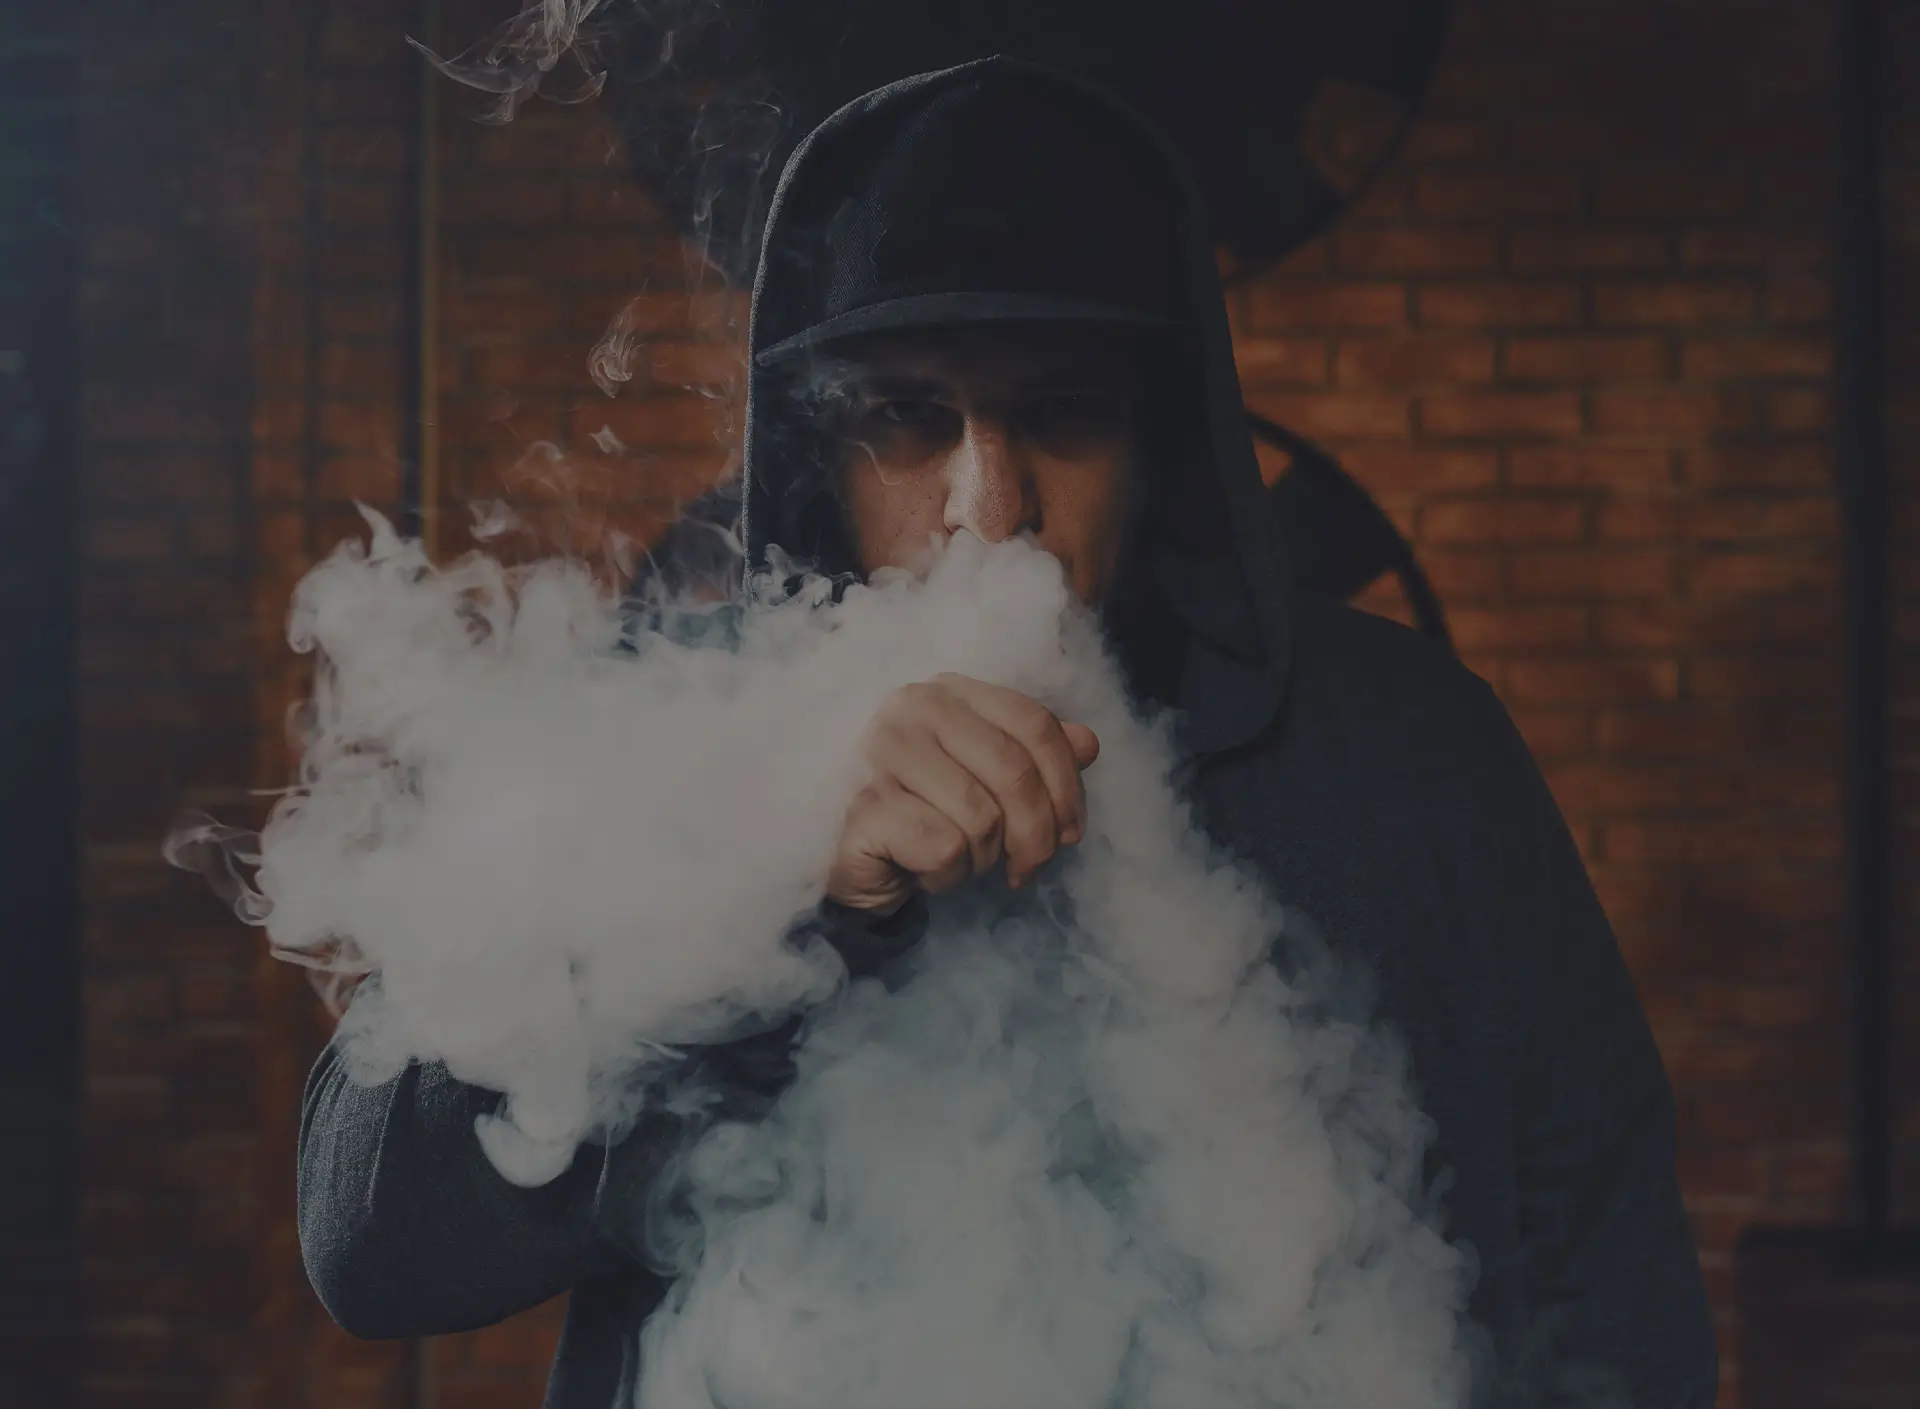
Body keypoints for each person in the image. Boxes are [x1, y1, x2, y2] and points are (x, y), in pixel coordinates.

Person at [297, 57, 1718, 1409]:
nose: (991, 510)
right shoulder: (668, 724)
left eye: (1064, 414)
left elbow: (1604, 1274)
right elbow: (367, 1242)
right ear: (818, 452)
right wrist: (766, 880)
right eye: (908, 419)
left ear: (1160, 442)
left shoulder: (1408, 751)